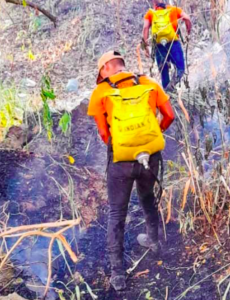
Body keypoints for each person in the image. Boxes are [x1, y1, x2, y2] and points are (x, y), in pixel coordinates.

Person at [87, 51, 175, 291]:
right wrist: (150, 138)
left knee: (117, 213)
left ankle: (118, 274)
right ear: (123, 65)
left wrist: (124, 148)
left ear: (106, 68)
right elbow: (170, 115)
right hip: (150, 157)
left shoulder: (101, 92)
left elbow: (105, 135)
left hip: (121, 161)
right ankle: (154, 242)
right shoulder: (148, 83)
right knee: (147, 198)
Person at [142, 0, 192, 91]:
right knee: (180, 68)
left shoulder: (150, 13)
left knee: (164, 72)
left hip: (159, 45)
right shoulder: (173, 9)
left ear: (153, 2)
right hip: (173, 43)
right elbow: (187, 18)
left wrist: (146, 47)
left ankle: (167, 94)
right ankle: (172, 86)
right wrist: (188, 32)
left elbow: (145, 28)